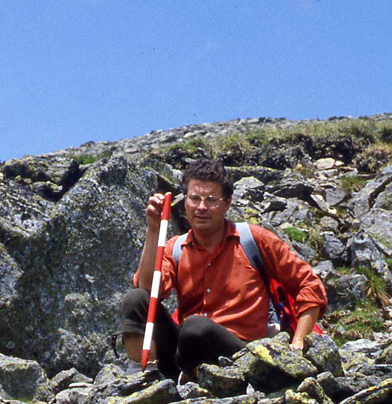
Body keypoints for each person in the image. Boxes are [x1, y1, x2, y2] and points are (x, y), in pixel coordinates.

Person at [119, 158, 327, 378]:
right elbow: (149, 290)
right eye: (195, 198)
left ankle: (192, 380)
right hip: (183, 351)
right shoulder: (176, 248)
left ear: (227, 203)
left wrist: (299, 341)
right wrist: (153, 229)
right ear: (185, 202)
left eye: (211, 200)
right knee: (135, 299)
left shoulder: (253, 240)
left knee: (195, 328)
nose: (201, 207)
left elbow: (308, 284)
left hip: (238, 355)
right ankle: (144, 377)